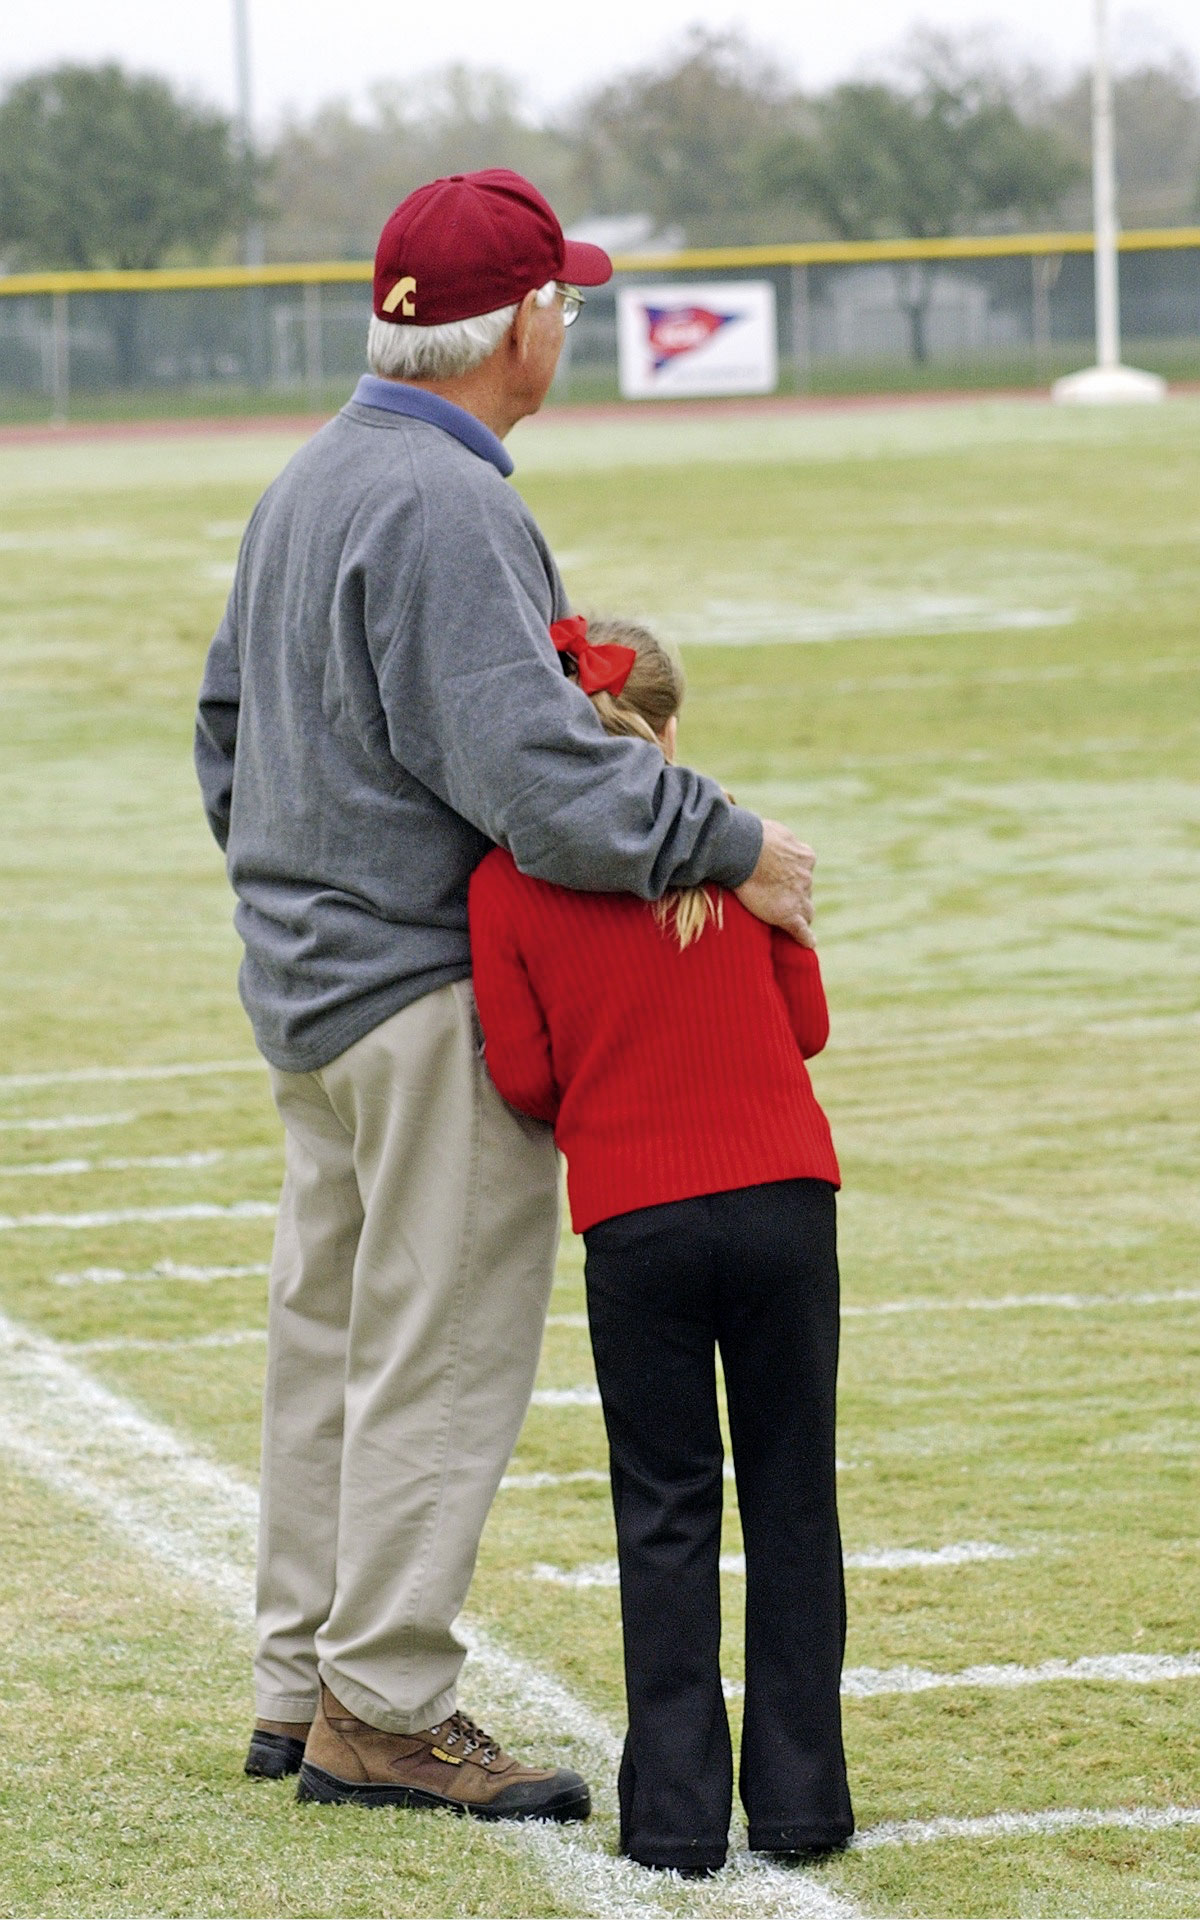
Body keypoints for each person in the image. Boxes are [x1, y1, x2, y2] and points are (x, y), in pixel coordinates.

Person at [194, 169, 818, 1821]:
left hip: (310, 992)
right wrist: (732, 841)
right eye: (568, 301)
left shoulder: (311, 477)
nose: (572, 324)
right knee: (437, 1354)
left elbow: (222, 739)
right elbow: (547, 782)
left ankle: (297, 1677)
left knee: (326, 1341)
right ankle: (382, 1707)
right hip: (417, 998)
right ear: (524, 324)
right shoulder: (451, 502)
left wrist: (294, 911)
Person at [469, 614, 854, 1873]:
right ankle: (803, 1806)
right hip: (785, 1197)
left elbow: (525, 1079)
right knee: (793, 1497)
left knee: (667, 1509)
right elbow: (804, 1024)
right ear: (670, 731)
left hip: (636, 1217)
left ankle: (679, 1822)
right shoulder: (743, 848)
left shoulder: (506, 880)